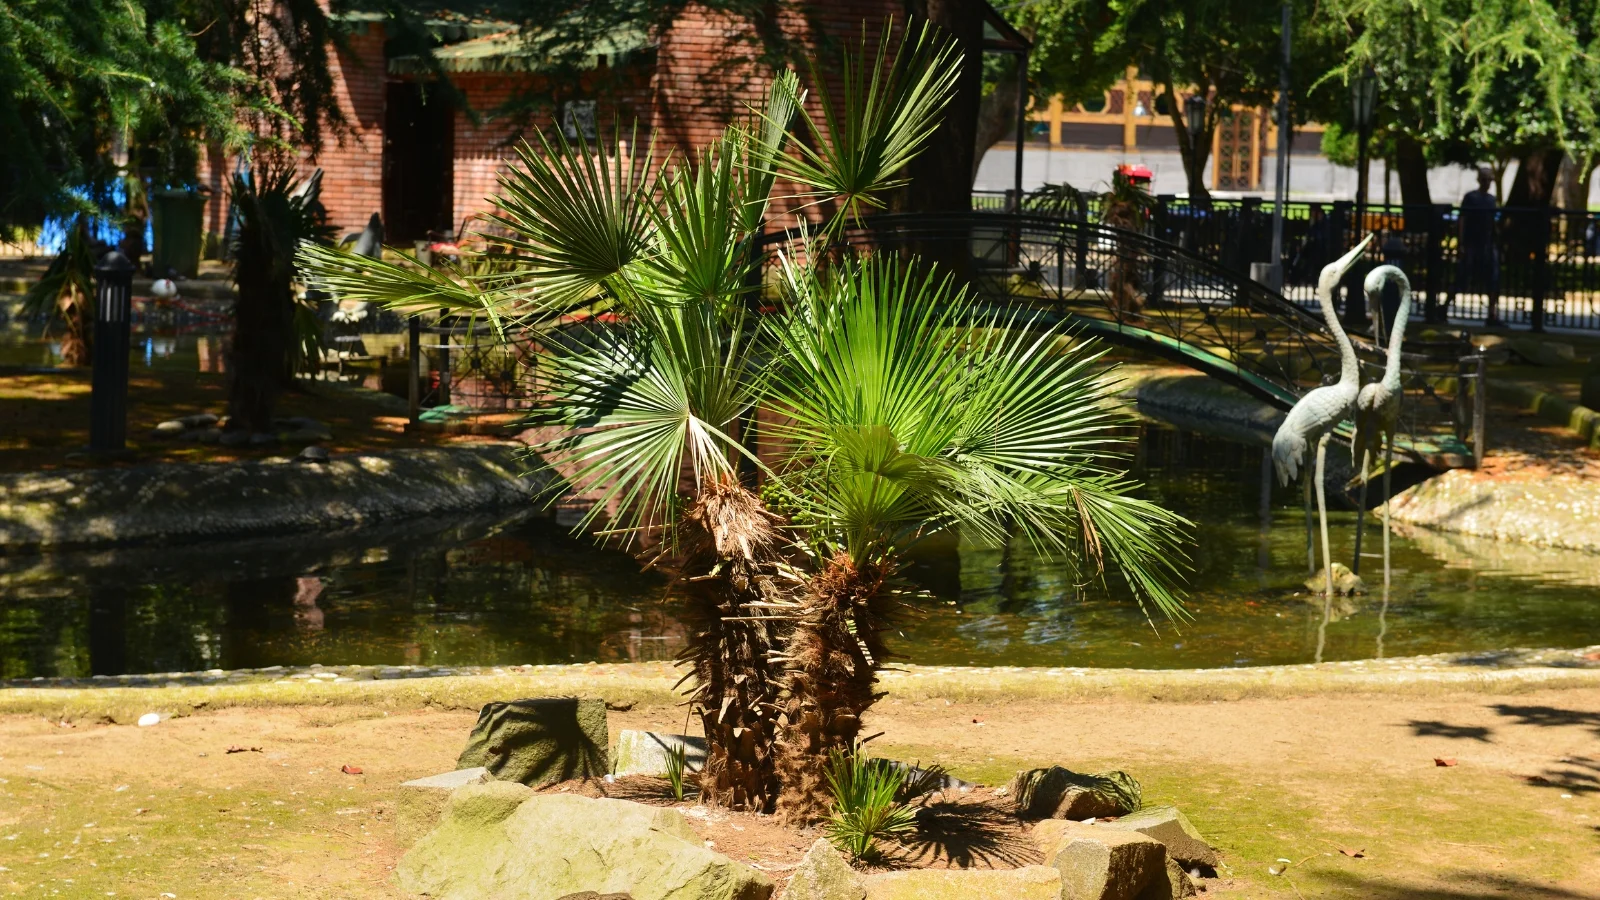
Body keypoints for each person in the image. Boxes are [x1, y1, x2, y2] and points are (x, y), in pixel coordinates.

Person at [1452, 167, 1501, 326]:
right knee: (1462, 275)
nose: (1487, 183)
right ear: (1479, 180)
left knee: (1493, 278)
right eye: (1485, 179)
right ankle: (1442, 308)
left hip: (1487, 243)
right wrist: (1460, 243)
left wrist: (1496, 240)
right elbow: (1462, 220)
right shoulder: (1471, 197)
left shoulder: (1491, 200)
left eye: (1490, 179)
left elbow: (1493, 223)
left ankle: (1492, 314)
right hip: (1471, 243)